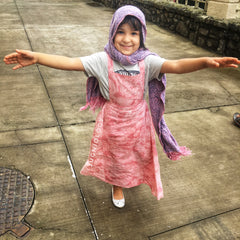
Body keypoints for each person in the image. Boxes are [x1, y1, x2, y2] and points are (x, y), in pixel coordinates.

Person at [4, 5, 240, 208]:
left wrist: (206, 63)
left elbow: (176, 65)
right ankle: (117, 186)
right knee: (117, 158)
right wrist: (37, 57)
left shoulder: (147, 61)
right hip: (113, 120)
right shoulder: (102, 60)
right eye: (121, 32)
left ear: (142, 36)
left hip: (139, 119)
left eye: (134, 33)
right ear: (112, 33)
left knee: (138, 155)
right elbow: (70, 62)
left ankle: (131, 177)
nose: (127, 39)